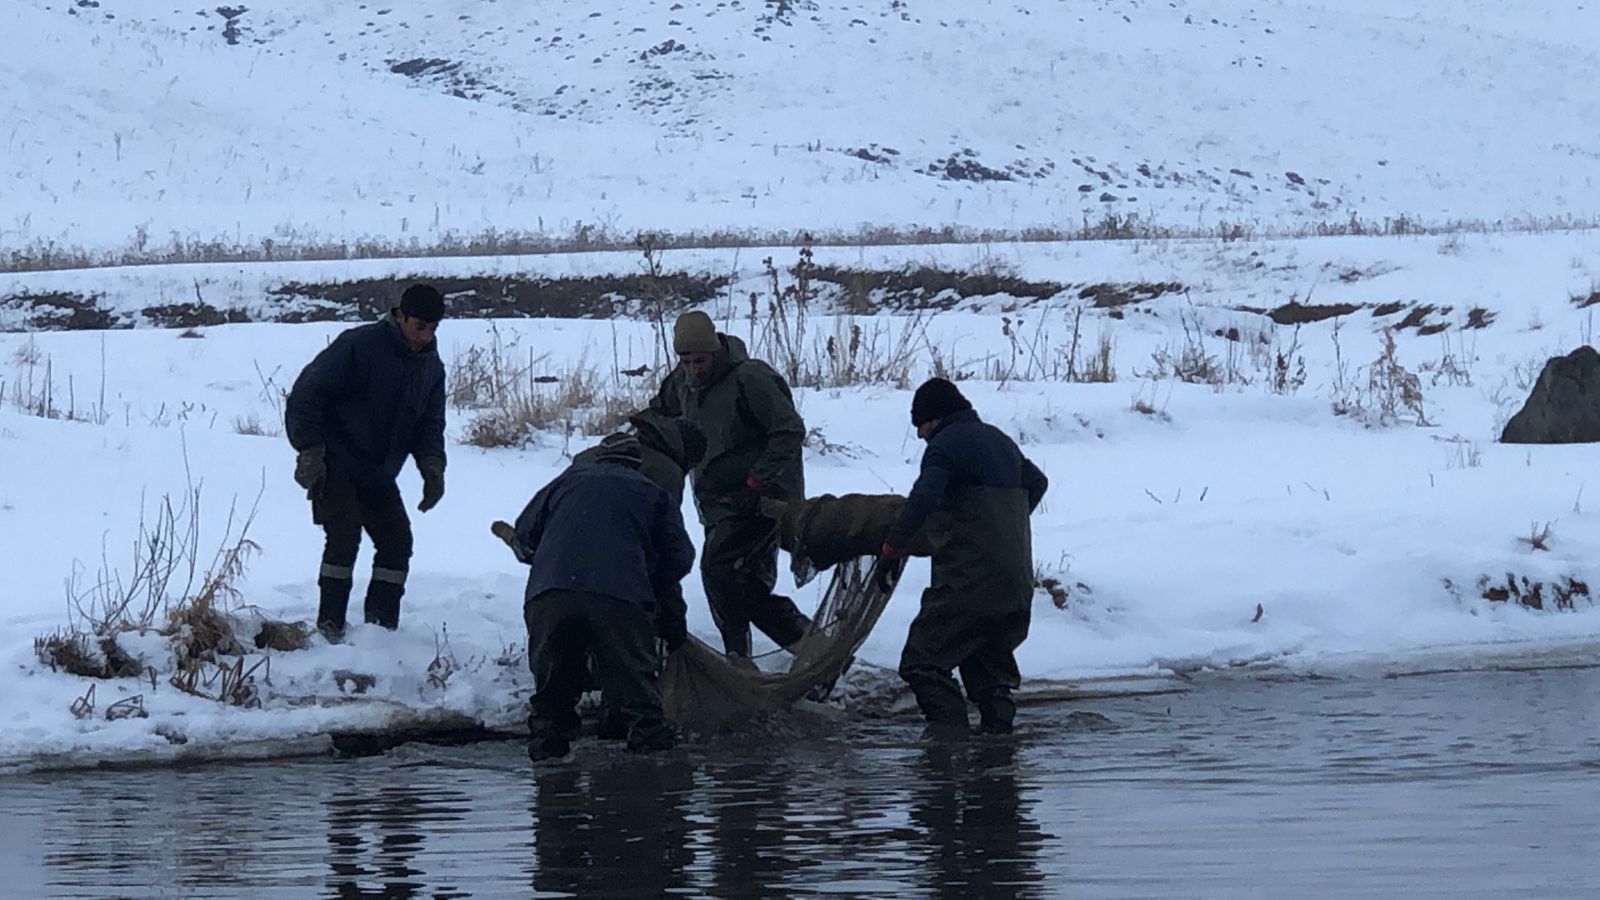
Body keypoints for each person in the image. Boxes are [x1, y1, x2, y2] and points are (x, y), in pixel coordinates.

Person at [509, 432, 696, 761]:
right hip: (619, 596)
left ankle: (549, 768)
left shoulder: (565, 481)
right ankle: (657, 774)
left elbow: (524, 536)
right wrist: (654, 594)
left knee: (553, 690)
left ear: (599, 456)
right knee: (637, 689)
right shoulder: (651, 491)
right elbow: (679, 557)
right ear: (636, 464)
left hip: (549, 595)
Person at [878, 378, 1048, 738]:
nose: (920, 435)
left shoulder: (946, 446)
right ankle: (997, 755)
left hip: (970, 582)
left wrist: (894, 547)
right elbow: (1038, 482)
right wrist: (1002, 525)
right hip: (1014, 584)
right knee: (987, 670)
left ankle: (947, 743)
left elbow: (924, 497)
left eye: (920, 426)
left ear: (934, 419)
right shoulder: (1000, 440)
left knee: (921, 662)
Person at [285, 283, 447, 641]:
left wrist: (432, 467)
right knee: (343, 537)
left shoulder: (431, 368)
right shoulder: (358, 346)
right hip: (336, 461)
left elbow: (429, 425)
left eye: (434, 328)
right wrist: (310, 450)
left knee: (397, 541)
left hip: (379, 472)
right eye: (420, 326)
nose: (426, 335)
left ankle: (381, 633)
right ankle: (330, 630)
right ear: (400, 317)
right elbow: (307, 395)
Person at [650, 310, 811, 665]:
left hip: (763, 499)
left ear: (717, 351)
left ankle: (784, 653)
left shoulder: (751, 378)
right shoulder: (681, 381)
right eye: (686, 361)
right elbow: (658, 419)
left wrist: (757, 482)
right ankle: (760, 656)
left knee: (720, 572)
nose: (694, 369)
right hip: (715, 502)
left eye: (701, 361)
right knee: (737, 583)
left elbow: (789, 432)